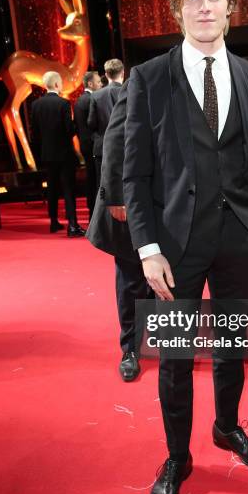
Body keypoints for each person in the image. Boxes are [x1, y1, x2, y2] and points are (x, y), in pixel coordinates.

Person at [123, 0, 248, 494]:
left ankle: (227, 426)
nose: (204, 6)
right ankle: (176, 457)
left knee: (234, 345)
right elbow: (133, 172)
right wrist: (146, 247)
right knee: (174, 358)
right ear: (177, 8)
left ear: (231, 6)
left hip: (239, 238)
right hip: (173, 247)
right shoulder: (149, 78)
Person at [87, 80, 152, 381]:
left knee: (172, 277)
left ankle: (167, 342)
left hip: (173, 203)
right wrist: (115, 197)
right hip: (132, 201)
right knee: (131, 278)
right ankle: (131, 348)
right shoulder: (145, 81)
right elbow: (115, 140)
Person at [31, 71, 85, 237]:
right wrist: (77, 126)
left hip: (47, 154)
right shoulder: (63, 103)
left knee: (52, 189)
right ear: (56, 84)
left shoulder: (36, 105)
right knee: (68, 189)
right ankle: (73, 225)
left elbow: (35, 133)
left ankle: (53, 222)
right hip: (64, 154)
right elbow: (69, 131)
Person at [87, 59, 124, 190]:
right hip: (127, 146)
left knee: (103, 187)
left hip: (103, 147)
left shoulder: (96, 96)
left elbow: (91, 123)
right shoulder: (132, 91)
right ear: (123, 73)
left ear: (106, 75)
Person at [73, 71, 101, 221]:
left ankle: (92, 213)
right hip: (94, 145)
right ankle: (96, 214)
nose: (101, 84)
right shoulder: (93, 99)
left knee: (90, 179)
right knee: (96, 179)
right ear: (90, 84)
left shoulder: (78, 101)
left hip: (84, 145)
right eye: (98, 82)